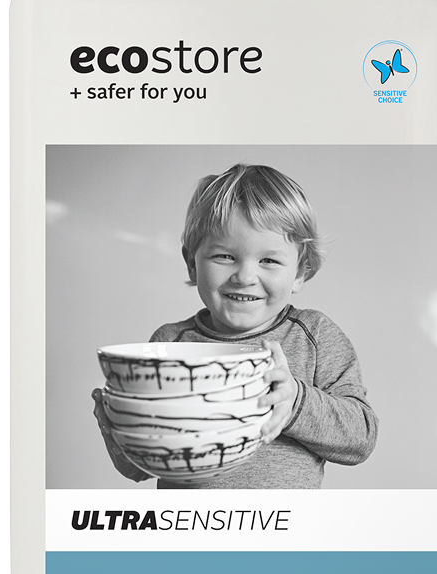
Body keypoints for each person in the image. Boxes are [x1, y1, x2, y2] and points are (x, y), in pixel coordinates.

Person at [92, 164, 378, 488]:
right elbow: (140, 470)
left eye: (269, 260)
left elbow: (361, 438)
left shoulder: (314, 337)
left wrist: (296, 402)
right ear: (191, 263)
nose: (244, 276)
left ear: (300, 273)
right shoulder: (170, 343)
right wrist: (118, 430)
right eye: (225, 256)